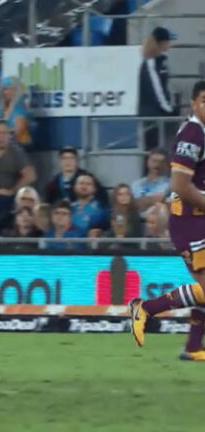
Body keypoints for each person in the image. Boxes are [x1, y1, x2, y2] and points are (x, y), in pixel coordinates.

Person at [127, 83, 205, 359]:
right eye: (204, 100)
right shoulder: (193, 133)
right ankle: (148, 310)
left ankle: (192, 345)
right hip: (191, 223)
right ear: (193, 103)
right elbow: (180, 185)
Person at [44, 147, 109, 206]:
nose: (68, 162)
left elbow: (102, 198)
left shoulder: (88, 179)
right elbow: (48, 204)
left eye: (71, 158)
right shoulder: (53, 184)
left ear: (77, 161)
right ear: (59, 161)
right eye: (64, 158)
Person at [138, 27, 176, 117]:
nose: (170, 44)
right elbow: (157, 90)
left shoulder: (160, 62)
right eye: (169, 41)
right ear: (163, 43)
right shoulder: (151, 63)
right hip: (154, 115)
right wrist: (169, 110)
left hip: (159, 113)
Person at [131, 149, 170, 216]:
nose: (157, 164)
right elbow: (132, 206)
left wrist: (143, 201)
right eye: (154, 161)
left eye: (161, 162)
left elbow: (171, 206)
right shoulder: (136, 184)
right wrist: (153, 200)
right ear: (148, 162)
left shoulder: (171, 185)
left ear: (165, 164)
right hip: (138, 220)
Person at [0, 76, 31, 147]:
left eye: (8, 89)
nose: (5, 92)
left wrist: (0, 132)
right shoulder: (2, 109)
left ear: (16, 90)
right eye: (3, 90)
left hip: (19, 145)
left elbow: (17, 131)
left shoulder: (20, 110)